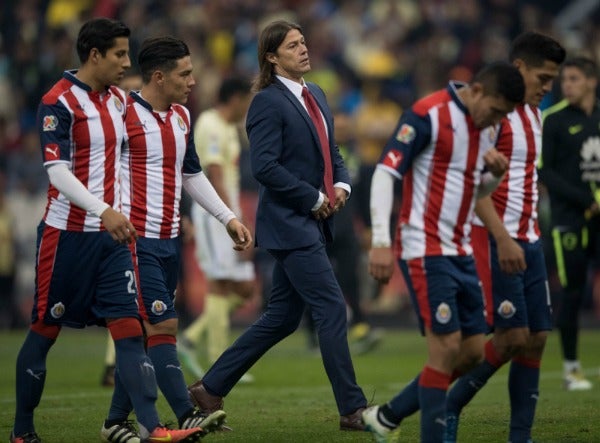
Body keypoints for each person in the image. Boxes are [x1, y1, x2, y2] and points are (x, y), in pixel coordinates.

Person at [10, 18, 204, 443]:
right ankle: (22, 430)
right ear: (94, 55)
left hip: (115, 239)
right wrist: (103, 210)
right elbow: (56, 172)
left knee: (131, 333)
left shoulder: (120, 102)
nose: (125, 62)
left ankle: (153, 428)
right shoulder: (58, 101)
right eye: (119, 54)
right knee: (45, 331)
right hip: (66, 237)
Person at [188, 19, 368, 431]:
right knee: (330, 307)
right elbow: (265, 166)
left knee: (282, 318)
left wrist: (341, 183)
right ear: (272, 57)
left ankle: (209, 388)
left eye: (303, 42)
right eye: (292, 45)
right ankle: (352, 409)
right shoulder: (267, 101)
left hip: (312, 221)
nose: (303, 49)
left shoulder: (316, 93)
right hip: (290, 224)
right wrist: (313, 197)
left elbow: (331, 150)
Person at [100, 36, 253, 442]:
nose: (192, 81)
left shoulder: (182, 117)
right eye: (184, 74)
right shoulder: (122, 114)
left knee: (148, 332)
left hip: (169, 240)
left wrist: (227, 217)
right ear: (158, 76)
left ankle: (115, 422)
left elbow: (191, 175)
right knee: (163, 323)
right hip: (135, 240)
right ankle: (187, 414)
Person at [362, 61, 525, 443]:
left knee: (470, 354)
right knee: (446, 349)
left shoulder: (486, 129)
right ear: (479, 91)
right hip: (424, 248)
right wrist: (382, 243)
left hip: (461, 249)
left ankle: (387, 416)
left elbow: (475, 192)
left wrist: (495, 175)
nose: (497, 121)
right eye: (497, 111)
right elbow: (386, 173)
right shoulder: (427, 114)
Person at [440, 32, 566, 443]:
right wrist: (504, 238)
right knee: (510, 337)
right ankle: (447, 401)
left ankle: (519, 436)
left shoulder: (533, 114)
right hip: (498, 237)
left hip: (528, 237)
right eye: (543, 78)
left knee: (537, 339)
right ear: (519, 69)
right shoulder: (497, 116)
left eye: (552, 80)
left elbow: (524, 174)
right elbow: (474, 186)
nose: (548, 87)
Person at [178, 76, 256, 382]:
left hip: (228, 212)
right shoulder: (209, 124)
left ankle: (191, 338)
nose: (246, 109)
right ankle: (218, 362)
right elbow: (213, 173)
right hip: (214, 215)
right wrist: (231, 216)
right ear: (235, 98)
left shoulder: (228, 129)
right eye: (245, 103)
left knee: (245, 288)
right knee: (219, 283)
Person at [539, 56, 600, 391]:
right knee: (573, 292)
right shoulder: (555, 119)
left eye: (575, 79)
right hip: (570, 218)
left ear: (591, 81)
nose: (568, 85)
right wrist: (585, 200)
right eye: (566, 80)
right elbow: (544, 170)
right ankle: (572, 368)